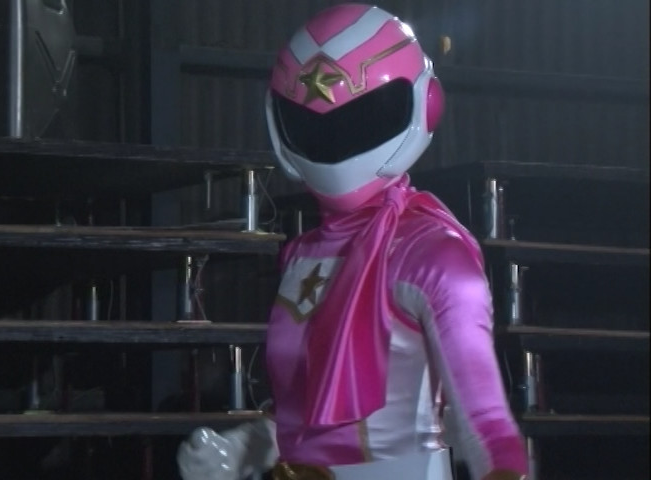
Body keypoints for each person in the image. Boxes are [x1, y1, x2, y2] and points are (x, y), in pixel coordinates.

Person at [178, 4, 528, 480]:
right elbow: (309, 420)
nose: (335, 137)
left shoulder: (431, 255)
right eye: (312, 123)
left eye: (360, 118)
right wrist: (244, 448)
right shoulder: (305, 253)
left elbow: (485, 425)